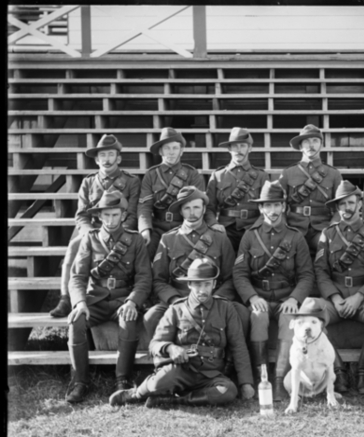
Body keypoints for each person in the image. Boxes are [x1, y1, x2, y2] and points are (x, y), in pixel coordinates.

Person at [109, 258, 254, 408]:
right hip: (181, 371)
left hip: (210, 374)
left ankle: (174, 400)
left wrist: (246, 383)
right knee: (157, 383)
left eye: (206, 284)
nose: (202, 290)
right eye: (197, 284)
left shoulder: (226, 308)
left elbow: (239, 347)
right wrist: (171, 348)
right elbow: (155, 344)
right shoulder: (176, 309)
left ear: (214, 284)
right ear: (189, 284)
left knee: (228, 391)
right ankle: (135, 394)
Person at [65, 190, 152, 403]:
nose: (111, 220)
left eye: (115, 215)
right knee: (76, 322)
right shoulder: (89, 239)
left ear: (123, 215)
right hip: (94, 300)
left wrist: (132, 301)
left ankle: (123, 380)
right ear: (99, 216)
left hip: (122, 300)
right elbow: (77, 276)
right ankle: (79, 382)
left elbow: (144, 278)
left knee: (129, 320)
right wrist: (79, 303)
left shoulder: (135, 240)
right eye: (107, 215)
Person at [233, 180, 315, 401]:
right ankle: (263, 378)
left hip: (285, 297)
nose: (272, 210)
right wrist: (251, 297)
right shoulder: (250, 236)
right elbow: (240, 274)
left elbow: (307, 275)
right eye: (267, 206)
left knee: (289, 318)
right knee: (258, 316)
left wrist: (295, 298)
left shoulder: (295, 237)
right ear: (260, 209)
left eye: (277, 205)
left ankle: (279, 379)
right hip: (260, 296)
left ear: (284, 207)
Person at [143, 186, 250, 344]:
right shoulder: (168, 239)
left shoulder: (220, 238)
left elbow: (230, 277)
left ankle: (229, 361)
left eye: (196, 207)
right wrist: (175, 300)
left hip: (212, 296)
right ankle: (167, 359)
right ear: (181, 211)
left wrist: (216, 300)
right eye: (187, 208)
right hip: (179, 297)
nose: (192, 212)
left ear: (204, 208)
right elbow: (159, 280)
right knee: (152, 316)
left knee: (241, 313)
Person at [50, 134, 140, 317]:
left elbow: (131, 214)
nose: (106, 159)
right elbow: (82, 214)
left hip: (119, 227)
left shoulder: (132, 181)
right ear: (97, 159)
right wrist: (90, 234)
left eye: (110, 154)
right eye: (102, 155)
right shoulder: (88, 182)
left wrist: (118, 230)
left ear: (118, 158)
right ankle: (66, 299)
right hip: (93, 228)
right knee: (74, 246)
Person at [314, 181, 364, 395]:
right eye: (341, 205)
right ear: (337, 208)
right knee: (310, 308)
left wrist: (359, 297)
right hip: (335, 298)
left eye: (350, 203)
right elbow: (321, 271)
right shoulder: (327, 234)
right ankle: (338, 371)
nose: (346, 208)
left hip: (363, 296)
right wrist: (336, 298)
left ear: (359, 205)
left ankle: (363, 373)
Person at [138, 127, 205, 258]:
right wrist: (145, 230)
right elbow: (144, 206)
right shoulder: (151, 175)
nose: (171, 152)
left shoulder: (192, 174)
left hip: (184, 225)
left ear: (181, 151)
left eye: (175, 148)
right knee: (144, 252)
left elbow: (200, 204)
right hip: (157, 227)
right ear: (161, 151)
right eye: (167, 148)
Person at [278, 124, 342, 254]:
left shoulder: (334, 174)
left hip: (321, 228)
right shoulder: (288, 173)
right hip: (294, 228)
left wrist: (331, 229)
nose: (311, 145)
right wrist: (284, 229)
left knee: (330, 247)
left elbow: (341, 206)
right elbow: (279, 205)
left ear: (321, 145)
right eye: (306, 141)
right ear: (301, 147)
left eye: (315, 141)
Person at [205, 127, 268, 252]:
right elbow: (209, 207)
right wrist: (214, 224)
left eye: (243, 146)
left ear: (250, 148)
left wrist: (257, 227)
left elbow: (266, 207)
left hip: (252, 227)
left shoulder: (261, 176)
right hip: (225, 229)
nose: (239, 150)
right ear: (229, 149)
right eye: (235, 146)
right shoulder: (218, 175)